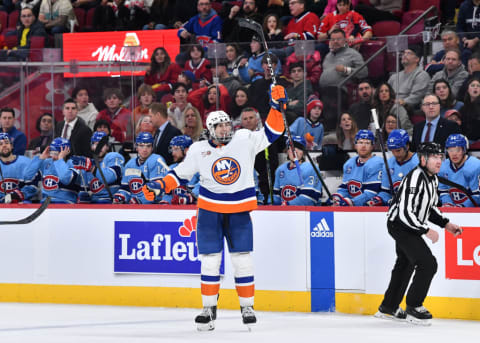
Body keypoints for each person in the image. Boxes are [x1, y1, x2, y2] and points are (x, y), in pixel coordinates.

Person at [141, 85, 287, 331]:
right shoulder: (199, 149)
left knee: (242, 260)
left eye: (228, 124)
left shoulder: (244, 139)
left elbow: (273, 131)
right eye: (220, 126)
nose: (225, 129)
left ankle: (247, 306)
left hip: (239, 209)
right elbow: (181, 174)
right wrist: (160, 185)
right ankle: (209, 308)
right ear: (210, 129)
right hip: (209, 210)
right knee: (210, 261)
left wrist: (275, 107)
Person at [375, 142, 462, 325]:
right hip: (400, 225)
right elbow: (405, 213)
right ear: (423, 159)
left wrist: (446, 224)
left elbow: (428, 208)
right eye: (434, 157)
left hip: (408, 225)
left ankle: (389, 307)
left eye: (440, 157)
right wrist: (425, 230)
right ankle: (414, 306)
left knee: (405, 264)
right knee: (427, 263)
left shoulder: (432, 178)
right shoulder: (415, 178)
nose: (439, 161)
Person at [331, 129, 383, 206]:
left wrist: (351, 202)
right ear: (355, 145)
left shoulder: (377, 163)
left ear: (373, 146)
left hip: (370, 208)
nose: (363, 146)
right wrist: (337, 198)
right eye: (360, 142)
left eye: (367, 143)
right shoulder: (349, 164)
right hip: (352, 207)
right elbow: (345, 188)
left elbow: (371, 193)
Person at [366, 129, 418, 207]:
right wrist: (378, 199)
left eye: (398, 150)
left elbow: (421, 192)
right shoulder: (389, 163)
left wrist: (400, 200)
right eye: (392, 151)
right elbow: (386, 192)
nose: (395, 154)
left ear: (407, 146)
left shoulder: (419, 162)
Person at [113, 132, 167, 204]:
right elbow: (125, 188)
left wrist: (140, 201)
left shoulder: (157, 160)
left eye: (148, 146)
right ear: (136, 147)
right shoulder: (130, 164)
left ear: (152, 148)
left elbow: (157, 191)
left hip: (152, 207)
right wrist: (121, 196)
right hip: (133, 204)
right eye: (141, 146)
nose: (145, 150)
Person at [71, 131, 125, 204]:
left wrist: (91, 168)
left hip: (112, 204)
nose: (98, 147)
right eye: (96, 144)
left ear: (107, 146)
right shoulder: (88, 163)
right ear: (91, 146)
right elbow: (84, 189)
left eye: (101, 145)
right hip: (94, 207)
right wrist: (83, 196)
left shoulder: (113, 157)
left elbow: (109, 177)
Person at [25, 137, 80, 204]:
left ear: (67, 151)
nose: (53, 156)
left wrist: (60, 159)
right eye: (52, 152)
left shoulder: (73, 163)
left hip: (66, 203)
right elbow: (27, 176)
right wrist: (40, 158)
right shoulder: (47, 162)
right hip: (46, 203)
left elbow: (65, 179)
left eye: (56, 153)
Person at [273, 135, 322, 206]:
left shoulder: (311, 168)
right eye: (291, 147)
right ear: (287, 151)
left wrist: (287, 204)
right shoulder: (280, 170)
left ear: (303, 152)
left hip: (305, 213)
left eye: (299, 148)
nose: (294, 151)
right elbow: (276, 196)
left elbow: (309, 198)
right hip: (284, 212)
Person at [438, 134, 480, 208]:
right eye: (450, 150)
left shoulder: (476, 166)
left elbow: (477, 195)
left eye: (458, 150)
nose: (454, 154)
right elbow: (443, 191)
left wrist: (462, 206)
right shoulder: (442, 166)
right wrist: (447, 203)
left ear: (464, 150)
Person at [387, 46, 431, 111]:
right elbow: (386, 90)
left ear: (417, 59)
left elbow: (416, 97)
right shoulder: (394, 76)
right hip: (392, 105)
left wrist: (402, 102)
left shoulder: (422, 75)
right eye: (404, 53)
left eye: (409, 53)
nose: (405, 55)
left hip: (407, 108)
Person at [0, 133, 38, 204]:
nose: (4, 145)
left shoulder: (26, 162)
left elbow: (33, 187)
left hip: (21, 204)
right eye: (0, 144)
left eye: (6, 143)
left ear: (11, 146)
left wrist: (19, 195)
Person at [161, 135, 199, 205]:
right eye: (172, 149)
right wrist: (166, 201)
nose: (173, 153)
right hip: (176, 212)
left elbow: (204, 186)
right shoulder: (171, 168)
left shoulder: (198, 167)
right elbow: (168, 193)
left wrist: (190, 197)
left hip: (195, 210)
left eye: (176, 149)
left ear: (187, 150)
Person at [459, 78, 480, 144]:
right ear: (468, 90)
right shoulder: (463, 108)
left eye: (478, 86)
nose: (475, 88)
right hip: (466, 141)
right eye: (473, 85)